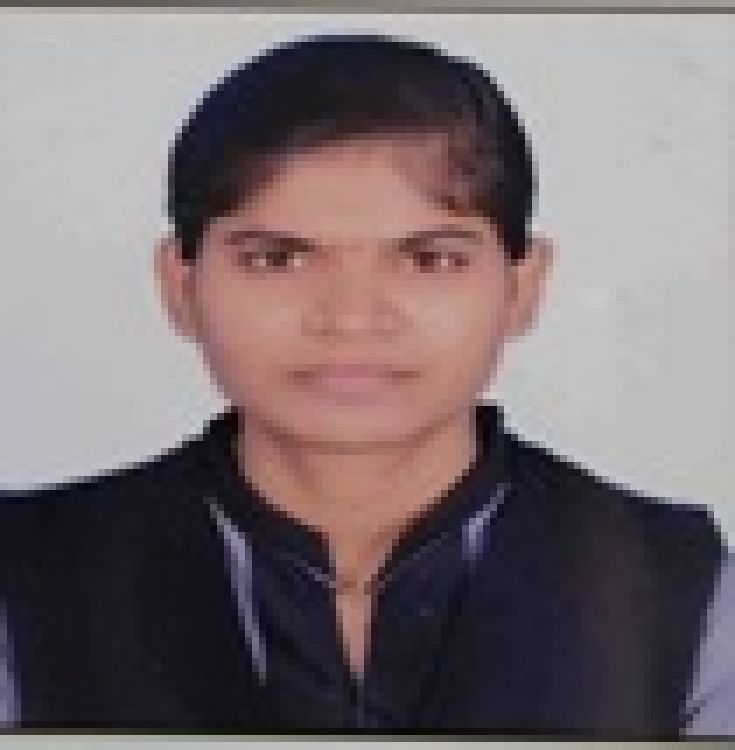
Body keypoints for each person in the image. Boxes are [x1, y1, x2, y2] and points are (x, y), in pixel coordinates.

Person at [0, 32, 730, 735]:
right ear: (181, 286)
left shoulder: (680, 587)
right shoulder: (26, 575)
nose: (351, 317)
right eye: (278, 259)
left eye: (429, 260)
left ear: (521, 287)